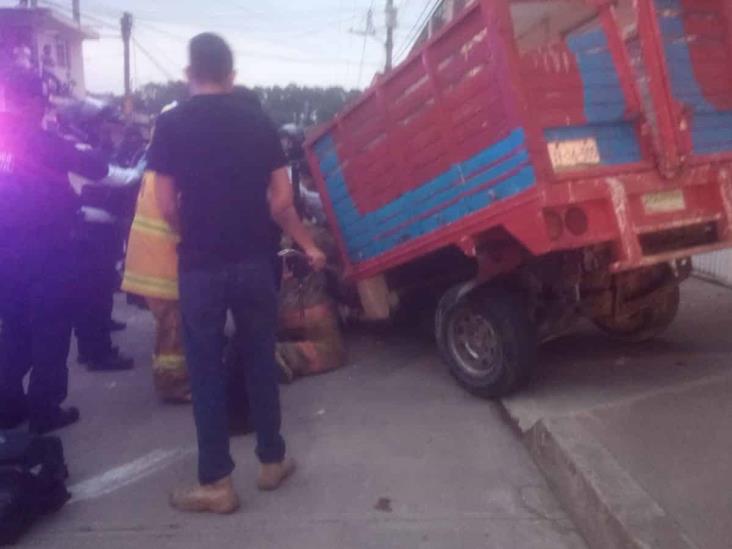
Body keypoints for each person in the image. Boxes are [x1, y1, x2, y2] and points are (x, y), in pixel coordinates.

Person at [149, 33, 326, 514]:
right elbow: (284, 201)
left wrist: (191, 229)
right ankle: (272, 460)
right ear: (232, 74)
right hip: (255, 260)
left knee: (204, 370)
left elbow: (164, 204)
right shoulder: (259, 123)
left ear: (190, 73)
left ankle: (217, 484)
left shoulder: (170, 125)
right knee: (258, 358)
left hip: (201, 266)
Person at [0, 69, 109, 434]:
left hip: (5, 251)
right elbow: (98, 166)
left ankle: (9, 407)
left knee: (14, 330)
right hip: (47, 250)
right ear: (32, 101)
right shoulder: (43, 140)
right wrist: (79, 140)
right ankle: (45, 409)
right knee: (50, 330)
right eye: (42, 99)